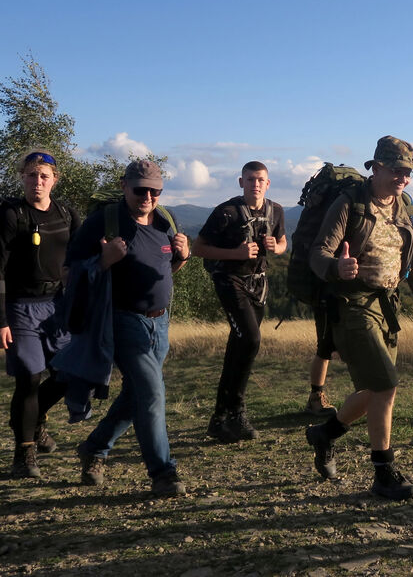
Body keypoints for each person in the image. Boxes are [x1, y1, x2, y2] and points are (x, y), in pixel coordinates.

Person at [304, 136, 413, 500]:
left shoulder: (405, 207)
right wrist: (338, 266)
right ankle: (383, 472)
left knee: (372, 389)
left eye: (409, 172)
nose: (403, 178)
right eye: (397, 170)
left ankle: (325, 434)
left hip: (387, 305)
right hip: (351, 303)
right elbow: (317, 255)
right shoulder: (348, 204)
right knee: (386, 385)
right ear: (376, 167)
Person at [66, 159, 190, 496]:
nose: (148, 196)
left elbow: (165, 269)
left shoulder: (166, 219)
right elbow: (69, 274)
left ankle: (94, 448)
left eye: (155, 190)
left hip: (160, 322)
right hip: (121, 320)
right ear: (124, 186)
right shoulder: (102, 224)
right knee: (152, 393)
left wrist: (183, 256)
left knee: (136, 394)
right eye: (140, 190)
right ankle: (163, 473)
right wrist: (103, 261)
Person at [191, 161, 286, 443]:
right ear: (240, 182)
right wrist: (237, 253)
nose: (255, 184)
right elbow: (198, 249)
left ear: (267, 183)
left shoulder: (276, 211)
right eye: (250, 179)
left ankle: (219, 420)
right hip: (229, 280)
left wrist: (276, 248)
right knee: (251, 340)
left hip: (258, 283)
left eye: (260, 180)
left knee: (241, 345)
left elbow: (282, 243)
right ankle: (237, 412)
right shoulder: (226, 212)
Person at [0, 149, 80, 478]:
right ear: (22, 177)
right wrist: (0, 320)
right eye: (31, 175)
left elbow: (84, 257)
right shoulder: (10, 215)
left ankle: (34, 418)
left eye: (44, 176)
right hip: (20, 308)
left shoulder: (66, 214)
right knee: (30, 378)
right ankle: (24, 454)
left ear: (54, 180)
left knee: (71, 373)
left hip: (57, 307)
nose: (37, 181)